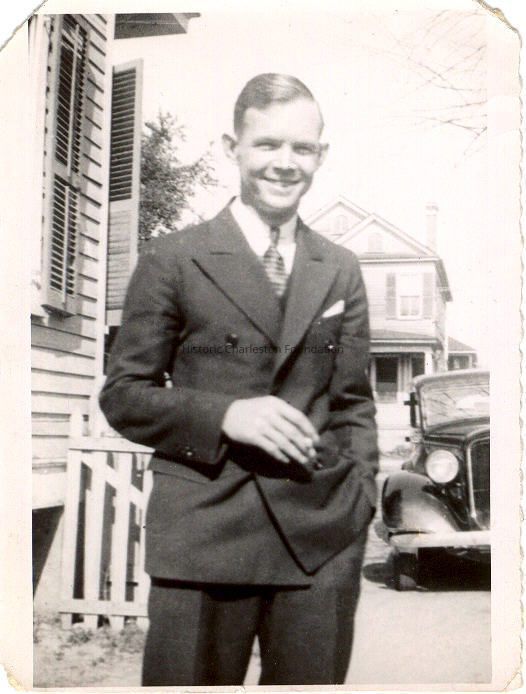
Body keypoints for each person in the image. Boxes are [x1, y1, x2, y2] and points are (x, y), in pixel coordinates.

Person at [99, 73, 378, 686]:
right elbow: (123, 395)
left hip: (318, 539)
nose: (285, 163)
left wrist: (359, 502)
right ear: (233, 148)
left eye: (302, 148)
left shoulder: (340, 267)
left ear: (321, 155)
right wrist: (226, 415)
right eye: (267, 144)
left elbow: (353, 403)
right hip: (204, 533)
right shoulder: (173, 258)